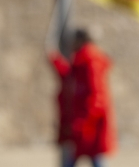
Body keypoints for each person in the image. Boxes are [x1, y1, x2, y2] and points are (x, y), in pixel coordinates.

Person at [48, 29, 117, 167]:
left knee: (92, 159)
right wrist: (55, 61)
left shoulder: (90, 61)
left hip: (89, 125)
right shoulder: (82, 61)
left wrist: (82, 122)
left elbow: (96, 95)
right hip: (83, 124)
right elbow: (70, 78)